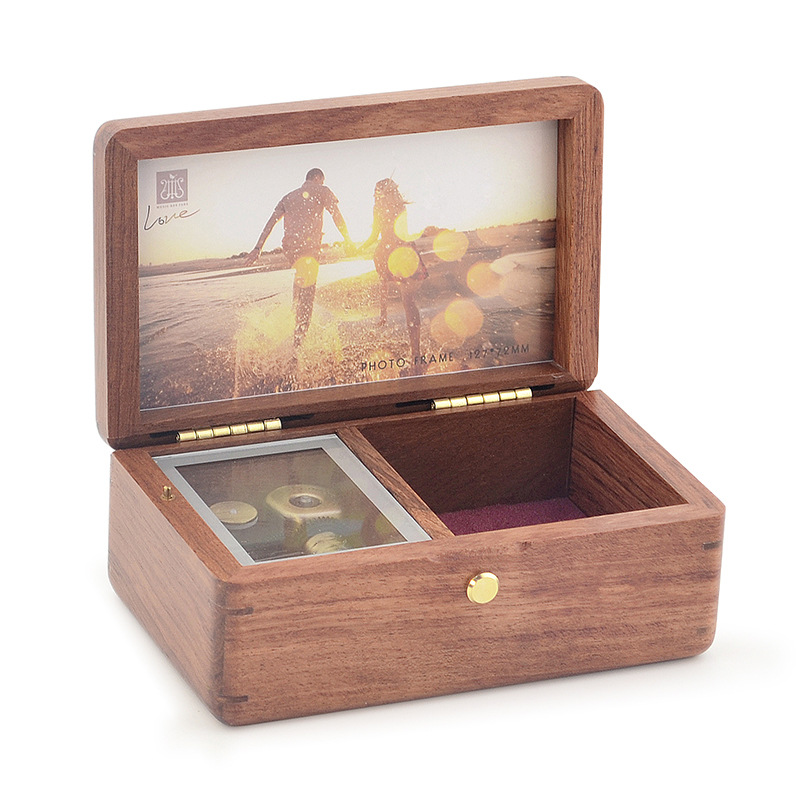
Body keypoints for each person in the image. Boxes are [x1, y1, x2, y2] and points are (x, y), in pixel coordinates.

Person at [244, 168, 354, 347]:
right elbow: (336, 215)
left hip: (290, 249)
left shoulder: (288, 197)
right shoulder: (322, 190)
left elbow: (270, 223)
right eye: (322, 181)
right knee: (308, 297)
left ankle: (293, 324)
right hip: (308, 247)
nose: (322, 184)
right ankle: (298, 346)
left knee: (300, 286)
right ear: (318, 178)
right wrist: (348, 239)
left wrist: (258, 248)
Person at [360, 178, 427, 362]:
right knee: (409, 302)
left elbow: (375, 235)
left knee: (384, 280)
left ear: (379, 192)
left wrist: (359, 248)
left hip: (388, 250)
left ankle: (383, 314)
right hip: (405, 250)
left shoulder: (378, 207)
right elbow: (402, 231)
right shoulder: (400, 205)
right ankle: (416, 351)